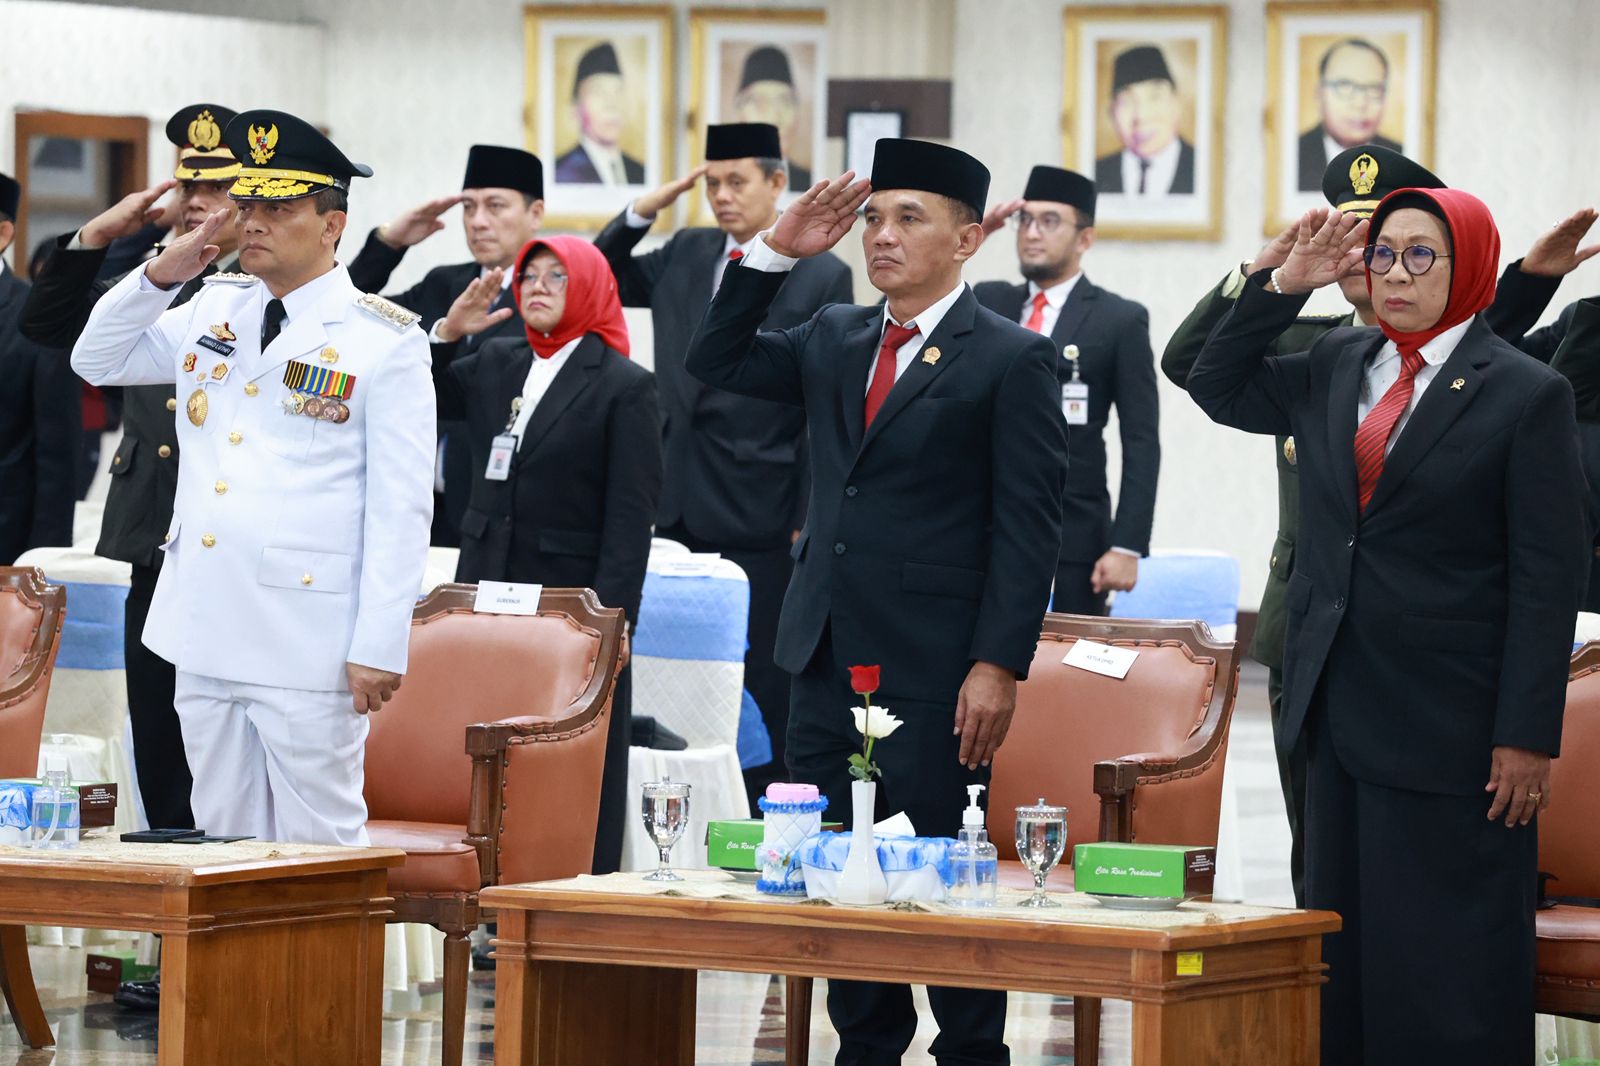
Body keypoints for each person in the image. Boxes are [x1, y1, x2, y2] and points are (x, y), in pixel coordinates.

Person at [1185, 191, 1588, 1065]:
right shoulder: (1338, 358)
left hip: (1454, 730)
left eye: (1420, 255)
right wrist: (1282, 285)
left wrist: (1526, 735)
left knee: (1444, 968)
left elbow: (1546, 580)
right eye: (1383, 253)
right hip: (1333, 712)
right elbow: (1213, 383)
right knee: (1340, 956)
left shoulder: (1525, 392)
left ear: (1470, 267)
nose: (1394, 273)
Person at [687, 140, 1067, 1064]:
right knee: (840, 879)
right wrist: (776, 252)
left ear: (967, 239)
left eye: (908, 218)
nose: (881, 236)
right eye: (872, 218)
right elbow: (716, 357)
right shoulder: (835, 334)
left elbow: (1028, 531)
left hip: (938, 670)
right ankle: (864, 1049)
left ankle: (972, 1053)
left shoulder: (1010, 358)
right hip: (824, 659)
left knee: (943, 886)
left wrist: (997, 665)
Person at [70, 109, 435, 853]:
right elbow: (95, 359)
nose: (255, 222)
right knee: (224, 843)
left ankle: (330, 945)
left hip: (307, 636)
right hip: (205, 623)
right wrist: (160, 276)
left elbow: (400, 512)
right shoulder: (215, 306)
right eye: (249, 205)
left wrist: (380, 643)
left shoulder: (383, 341)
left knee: (319, 848)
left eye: (281, 208)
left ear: (333, 225)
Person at [595, 122, 853, 803]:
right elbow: (601, 272)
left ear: (777, 182)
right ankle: (677, 788)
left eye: (737, 181)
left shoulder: (821, 270)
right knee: (666, 657)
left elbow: (822, 400)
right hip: (672, 487)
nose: (721, 195)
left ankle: (769, 796)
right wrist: (640, 211)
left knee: (760, 664)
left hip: (759, 497)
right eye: (712, 183)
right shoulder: (688, 248)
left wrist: (808, 510)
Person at [20, 103, 246, 839]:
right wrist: (97, 235)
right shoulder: (155, 273)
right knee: (157, 726)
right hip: (154, 531)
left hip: (232, 536)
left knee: (228, 741)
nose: (197, 202)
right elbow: (49, 327)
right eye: (188, 185)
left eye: (216, 187)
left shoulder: (264, 284)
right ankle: (169, 880)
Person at [435, 234, 660, 875]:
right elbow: (425, 394)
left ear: (589, 287)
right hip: (487, 592)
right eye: (529, 275)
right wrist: (448, 334)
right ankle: (482, 888)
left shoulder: (623, 386)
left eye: (555, 277)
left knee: (566, 753)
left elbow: (629, 521)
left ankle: (574, 887)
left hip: (570, 606)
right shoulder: (496, 359)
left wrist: (611, 622)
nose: (536, 286)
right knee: (484, 745)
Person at [975, 166, 1159, 615]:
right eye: (1025, 220)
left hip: (1074, 532)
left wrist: (1127, 545)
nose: (1031, 233)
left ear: (1084, 239)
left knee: (1071, 654)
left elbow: (1140, 438)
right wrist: (971, 239)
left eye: (1049, 221)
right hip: (980, 520)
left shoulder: (1119, 319)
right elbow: (906, 309)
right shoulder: (988, 301)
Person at [347, 144, 545, 547]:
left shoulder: (546, 297)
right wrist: (390, 242)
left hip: (502, 510)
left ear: (535, 214)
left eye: (495, 206)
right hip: (417, 502)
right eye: (468, 208)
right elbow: (349, 310)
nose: (478, 221)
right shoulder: (445, 283)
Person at [0, 171, 79, 564]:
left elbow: (57, 451)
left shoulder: (36, 314)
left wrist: (44, 558)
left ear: (3, 233)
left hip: (8, 542)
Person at [1297, 39, 1401, 192]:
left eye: (1373, 88)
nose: (1360, 103)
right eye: (1345, 86)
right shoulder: (1296, 153)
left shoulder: (1399, 157)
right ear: (1319, 93)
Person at [1094, 44, 1194, 196]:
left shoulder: (1204, 167)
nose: (1141, 116)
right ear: (1112, 113)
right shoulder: (1095, 172)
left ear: (1176, 104)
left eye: (1154, 97)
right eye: (1126, 101)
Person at [554, 42, 645, 186]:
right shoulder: (560, 172)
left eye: (618, 91)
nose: (612, 104)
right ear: (575, 109)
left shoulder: (640, 172)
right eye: (598, 92)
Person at [733, 46, 812, 189]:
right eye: (759, 103)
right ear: (740, 112)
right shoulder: (727, 184)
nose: (775, 118)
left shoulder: (808, 181)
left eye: (785, 102)